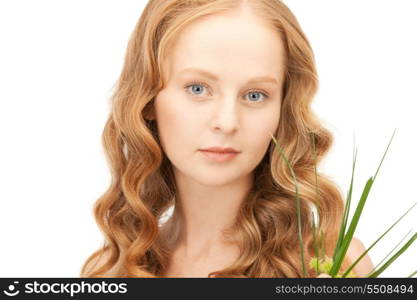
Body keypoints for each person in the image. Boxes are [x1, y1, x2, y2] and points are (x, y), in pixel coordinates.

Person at [80, 0, 374, 278]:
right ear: (147, 100)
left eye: (255, 95)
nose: (227, 122)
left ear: (282, 108)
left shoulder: (334, 261)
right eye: (198, 89)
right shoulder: (112, 269)